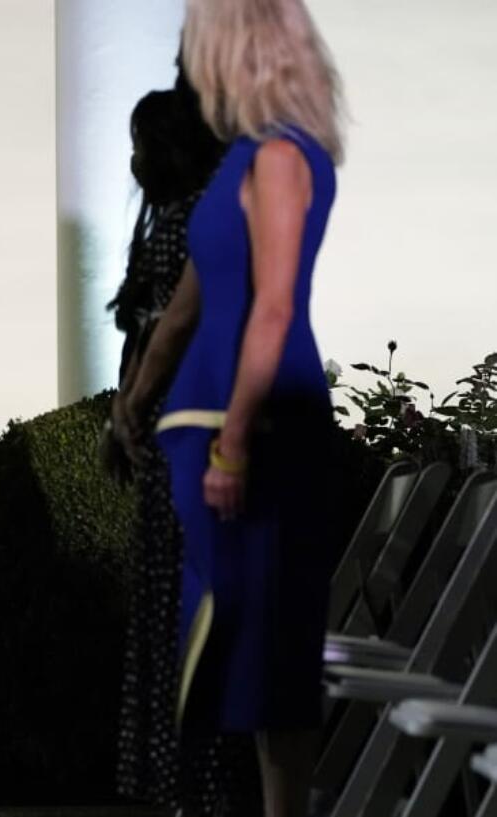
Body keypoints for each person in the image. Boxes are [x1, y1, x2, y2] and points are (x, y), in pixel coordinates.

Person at [118, 1, 345, 813]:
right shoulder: (243, 157)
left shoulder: (283, 156)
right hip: (207, 430)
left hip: (256, 434)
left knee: (265, 663)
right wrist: (137, 400)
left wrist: (234, 443)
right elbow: (189, 301)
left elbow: (273, 307)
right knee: (230, 665)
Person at [109, 87, 265, 817]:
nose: (134, 158)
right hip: (187, 434)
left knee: (182, 608)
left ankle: (191, 782)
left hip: (185, 436)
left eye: (141, 141)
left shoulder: (191, 219)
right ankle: (193, 783)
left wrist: (129, 411)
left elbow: (166, 329)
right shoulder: (208, 213)